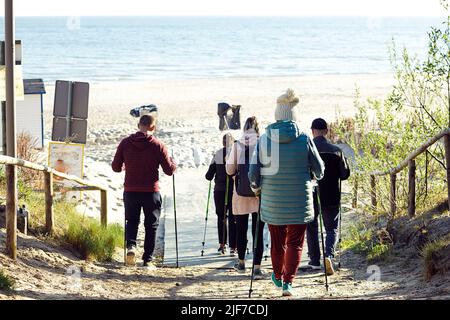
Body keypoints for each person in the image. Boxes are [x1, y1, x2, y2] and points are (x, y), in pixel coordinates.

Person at [249, 89, 325, 296]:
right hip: (300, 201)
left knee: (277, 242)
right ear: (294, 115)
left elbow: (253, 173)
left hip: (272, 201)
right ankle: (287, 283)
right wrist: (311, 176)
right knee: (295, 243)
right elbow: (319, 169)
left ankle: (277, 275)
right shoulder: (304, 138)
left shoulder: (264, 139)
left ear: (277, 114)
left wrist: (257, 189)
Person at [112, 115, 176, 267]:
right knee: (151, 225)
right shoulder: (158, 145)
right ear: (153, 127)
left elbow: (115, 167)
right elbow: (168, 171)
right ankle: (147, 259)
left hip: (130, 190)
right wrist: (173, 163)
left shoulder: (126, 143)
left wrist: (126, 165)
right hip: (151, 191)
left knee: (132, 221)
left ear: (138, 124)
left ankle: (131, 247)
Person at [304, 118, 350, 276]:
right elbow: (345, 174)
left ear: (313, 131)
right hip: (331, 194)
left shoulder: (307, 150)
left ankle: (315, 261)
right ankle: (328, 256)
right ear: (326, 131)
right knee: (332, 228)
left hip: (311, 194)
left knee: (311, 227)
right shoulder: (336, 150)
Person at [226, 116, 265, 280]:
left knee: (241, 229)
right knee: (259, 231)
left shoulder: (237, 145)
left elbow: (229, 170)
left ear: (244, 127)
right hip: (259, 194)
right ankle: (257, 267)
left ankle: (241, 262)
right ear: (257, 128)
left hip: (240, 194)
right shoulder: (263, 144)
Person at [205, 133, 237, 255]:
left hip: (219, 190)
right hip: (233, 191)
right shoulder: (236, 155)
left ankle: (222, 245)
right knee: (234, 218)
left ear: (223, 142)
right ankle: (233, 246)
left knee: (221, 218)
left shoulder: (218, 154)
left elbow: (208, 176)